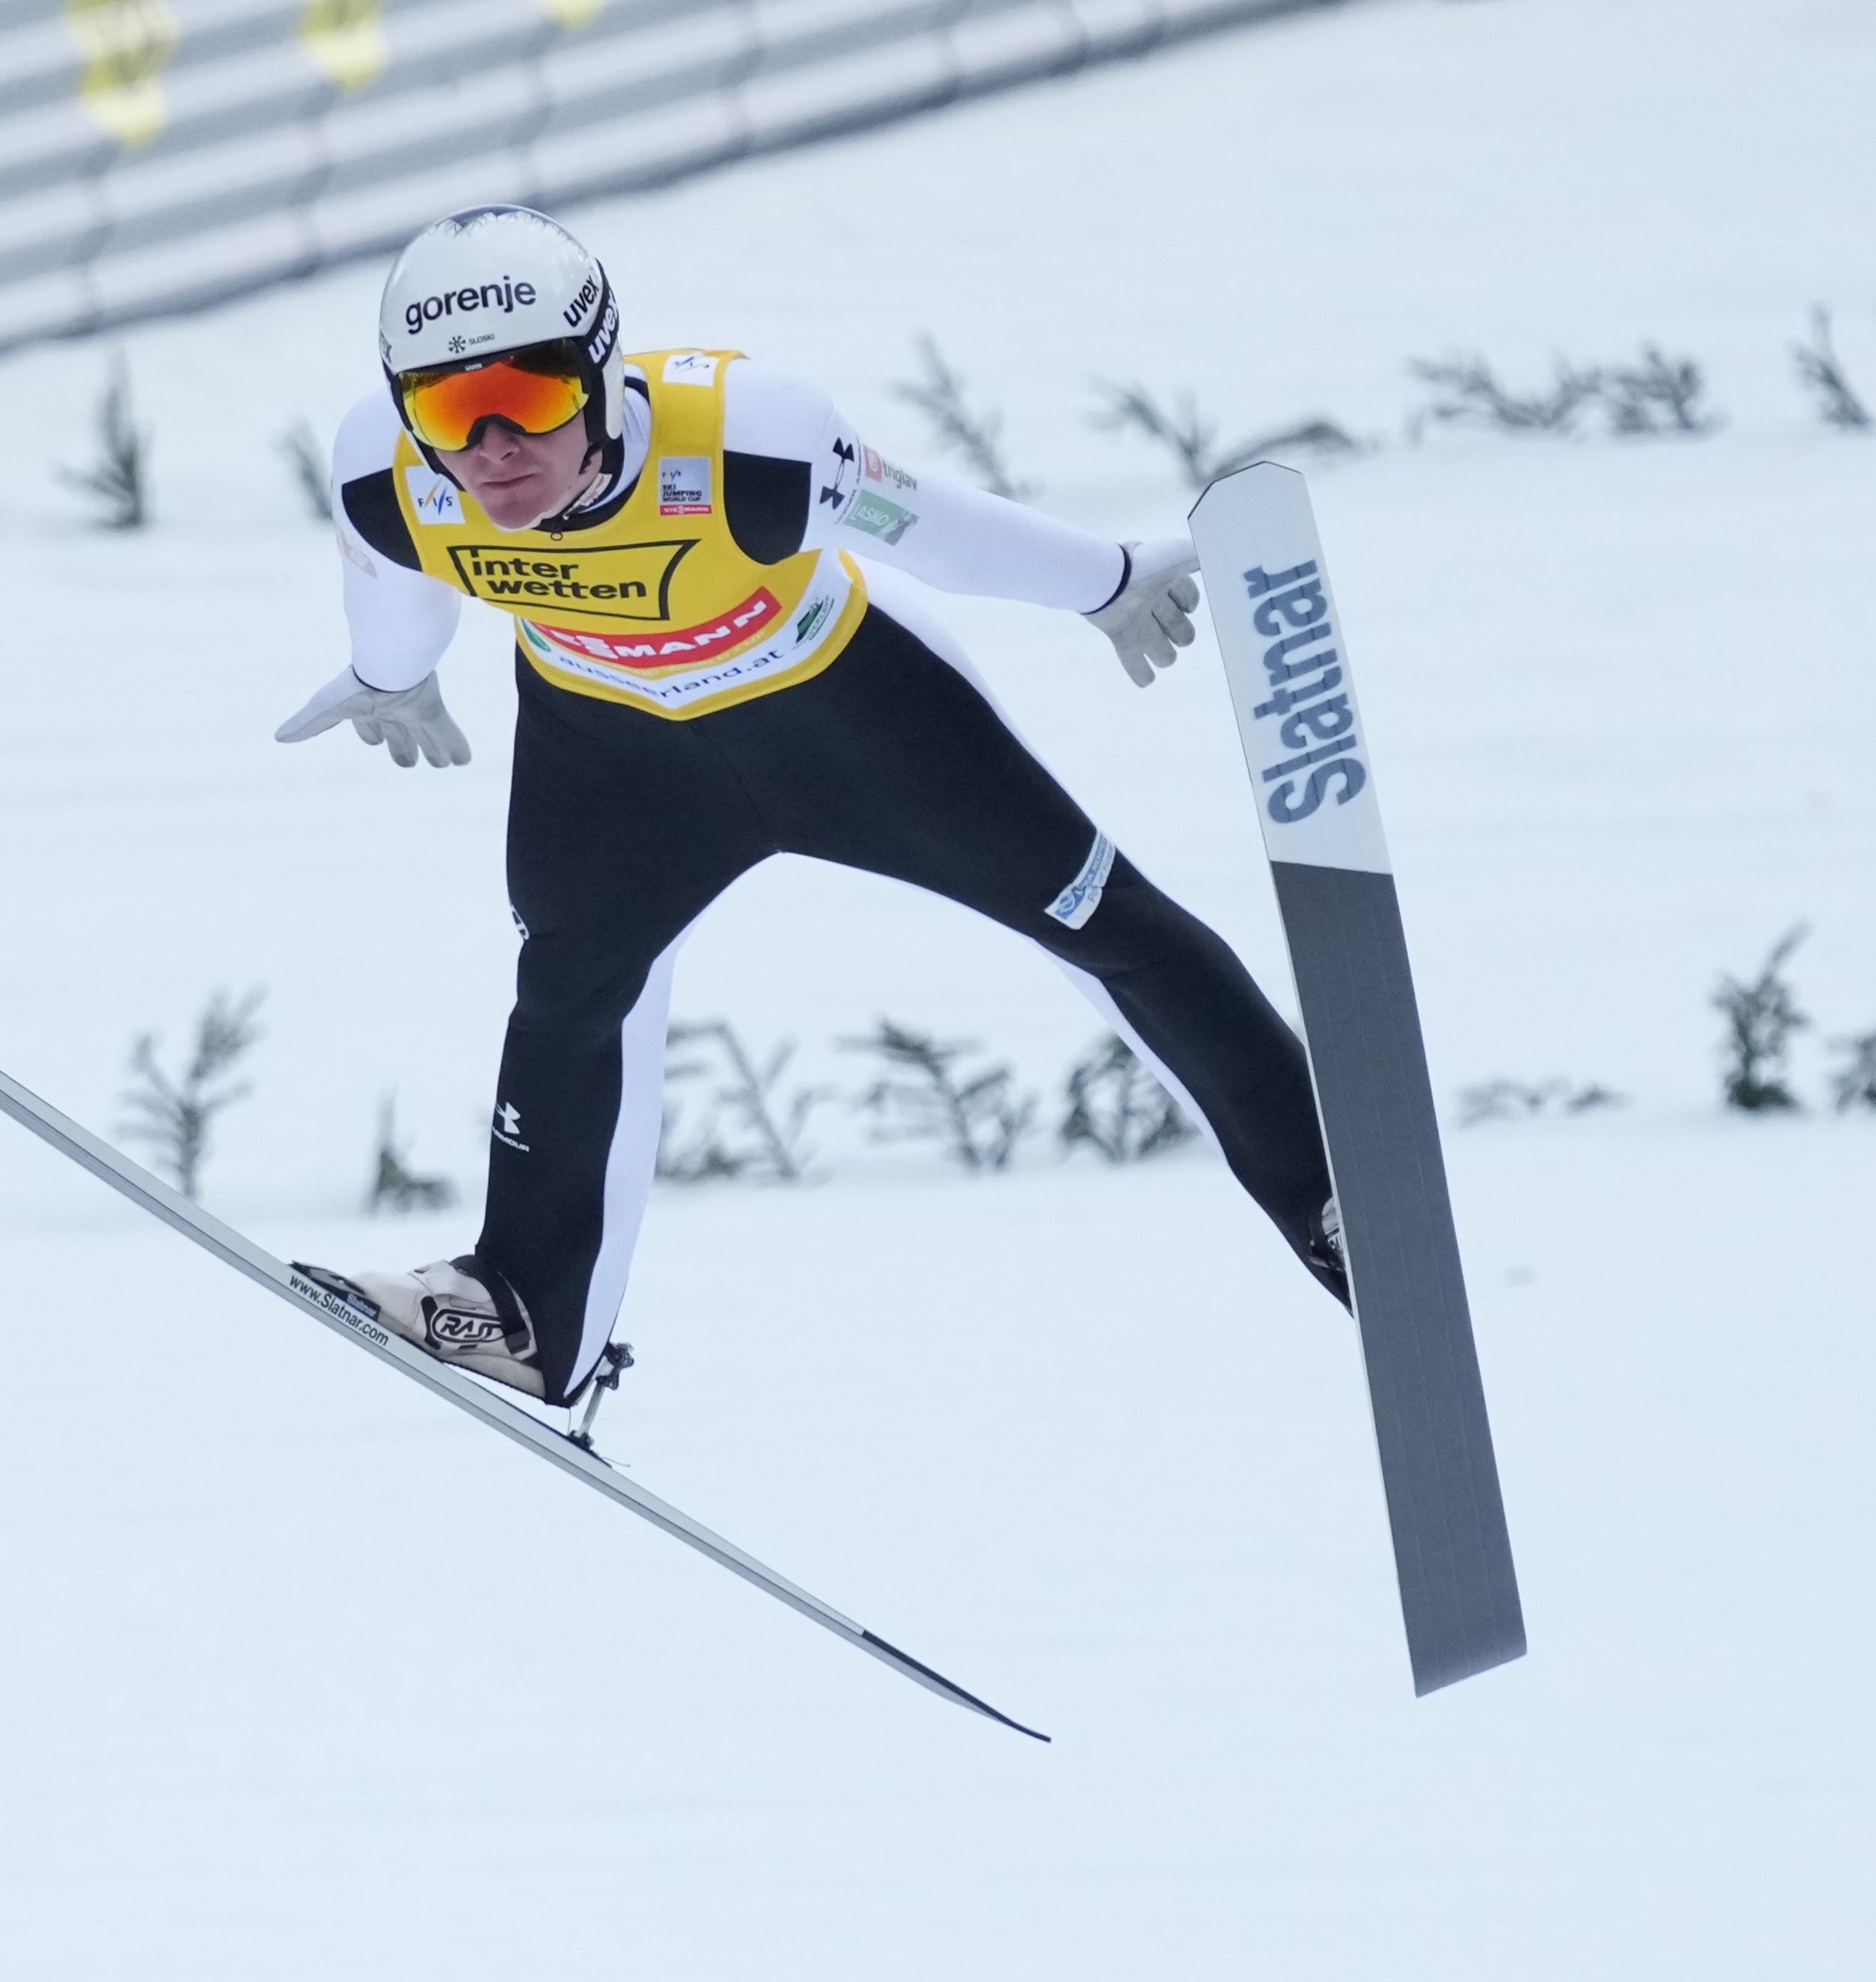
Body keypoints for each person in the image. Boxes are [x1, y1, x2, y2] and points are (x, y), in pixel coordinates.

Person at [278, 205, 1342, 1412]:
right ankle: (532, 1312)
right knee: (570, 995)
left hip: (848, 720)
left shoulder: (746, 442)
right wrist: (391, 674)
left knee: (1106, 926)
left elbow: (933, 530)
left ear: (601, 365)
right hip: (615, 760)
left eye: (527, 391)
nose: (493, 445)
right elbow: (398, 585)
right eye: (448, 410)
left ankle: (1331, 1197)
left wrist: (1101, 582)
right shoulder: (386, 473)